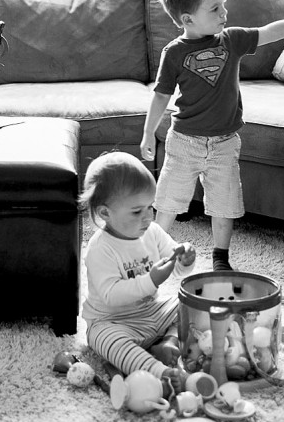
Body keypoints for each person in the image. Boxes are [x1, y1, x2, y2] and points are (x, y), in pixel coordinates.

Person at [140, 0, 284, 272]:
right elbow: (160, 96)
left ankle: (220, 257)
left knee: (224, 204)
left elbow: (268, 31)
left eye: (223, 4)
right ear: (187, 19)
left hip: (225, 143)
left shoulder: (232, 40)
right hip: (184, 142)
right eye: (215, 8)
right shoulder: (174, 53)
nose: (224, 12)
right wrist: (149, 133)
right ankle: (155, 253)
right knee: (168, 202)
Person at [79, 151, 197, 394]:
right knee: (104, 340)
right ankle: (159, 371)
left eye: (149, 207)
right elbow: (112, 295)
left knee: (193, 303)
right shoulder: (100, 249)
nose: (147, 217)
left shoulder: (152, 232)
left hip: (152, 312)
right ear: (105, 213)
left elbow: (174, 263)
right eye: (136, 211)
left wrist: (185, 259)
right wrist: (151, 280)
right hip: (112, 321)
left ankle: (168, 341)